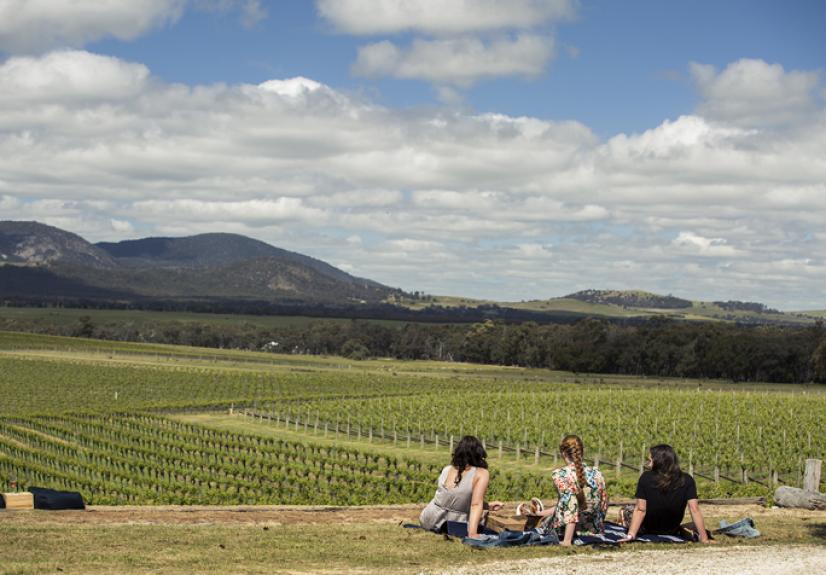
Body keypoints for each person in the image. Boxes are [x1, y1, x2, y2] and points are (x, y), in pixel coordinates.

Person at [620, 444, 713, 543]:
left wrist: (631, 535)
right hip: (671, 528)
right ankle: (685, 530)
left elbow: (640, 509)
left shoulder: (645, 478)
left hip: (648, 529)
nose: (648, 464)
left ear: (658, 461)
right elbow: (694, 509)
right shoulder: (687, 479)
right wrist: (704, 538)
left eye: (650, 460)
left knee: (625, 510)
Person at [419, 435, 503, 537]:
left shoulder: (447, 468)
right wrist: (472, 533)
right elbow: (475, 504)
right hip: (451, 525)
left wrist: (487, 506)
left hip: (428, 519)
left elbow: (454, 498)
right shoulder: (481, 473)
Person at [534, 434, 608, 545]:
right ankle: (540, 512)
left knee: (541, 524)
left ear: (563, 453)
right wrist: (598, 528)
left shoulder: (560, 475)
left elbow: (570, 504)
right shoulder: (597, 473)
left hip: (567, 530)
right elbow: (604, 504)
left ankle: (539, 515)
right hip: (594, 531)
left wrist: (567, 540)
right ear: (582, 452)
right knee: (543, 516)